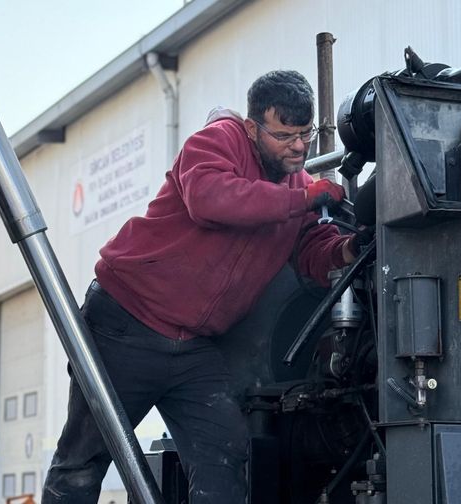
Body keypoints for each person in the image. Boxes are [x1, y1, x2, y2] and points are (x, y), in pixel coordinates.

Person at [43, 70, 361, 503]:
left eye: (305, 134)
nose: (299, 146)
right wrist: (302, 199)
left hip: (193, 348)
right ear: (253, 128)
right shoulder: (219, 140)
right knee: (82, 462)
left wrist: (350, 248)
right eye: (284, 135)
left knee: (226, 456)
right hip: (126, 323)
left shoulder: (302, 187)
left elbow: (313, 253)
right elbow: (210, 197)